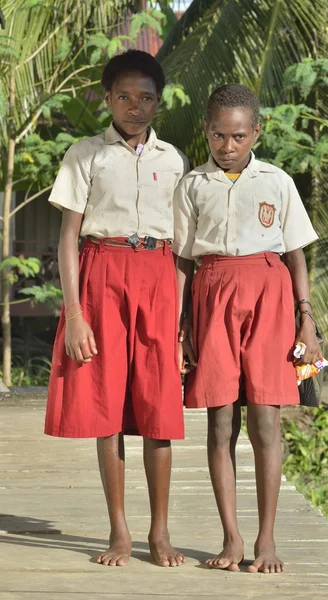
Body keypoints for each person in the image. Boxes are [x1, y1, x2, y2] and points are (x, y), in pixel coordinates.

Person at [45, 50, 189, 568]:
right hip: (101, 273)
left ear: (158, 102)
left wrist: (177, 324)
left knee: (159, 410)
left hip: (157, 277)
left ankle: (160, 532)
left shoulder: (174, 161)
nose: (135, 107)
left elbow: (183, 249)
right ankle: (120, 533)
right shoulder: (85, 154)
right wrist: (75, 313)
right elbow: (67, 240)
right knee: (106, 407)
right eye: (124, 96)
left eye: (146, 97)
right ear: (107, 99)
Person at [174, 84, 321, 574]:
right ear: (206, 131)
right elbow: (182, 260)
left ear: (255, 131)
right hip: (212, 294)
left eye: (238, 136)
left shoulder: (277, 182)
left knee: (265, 421)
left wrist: (307, 319)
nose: (228, 146)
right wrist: (182, 324)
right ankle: (232, 540)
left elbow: (296, 253)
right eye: (218, 135)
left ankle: (267, 541)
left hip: (270, 297)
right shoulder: (192, 184)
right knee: (220, 423)